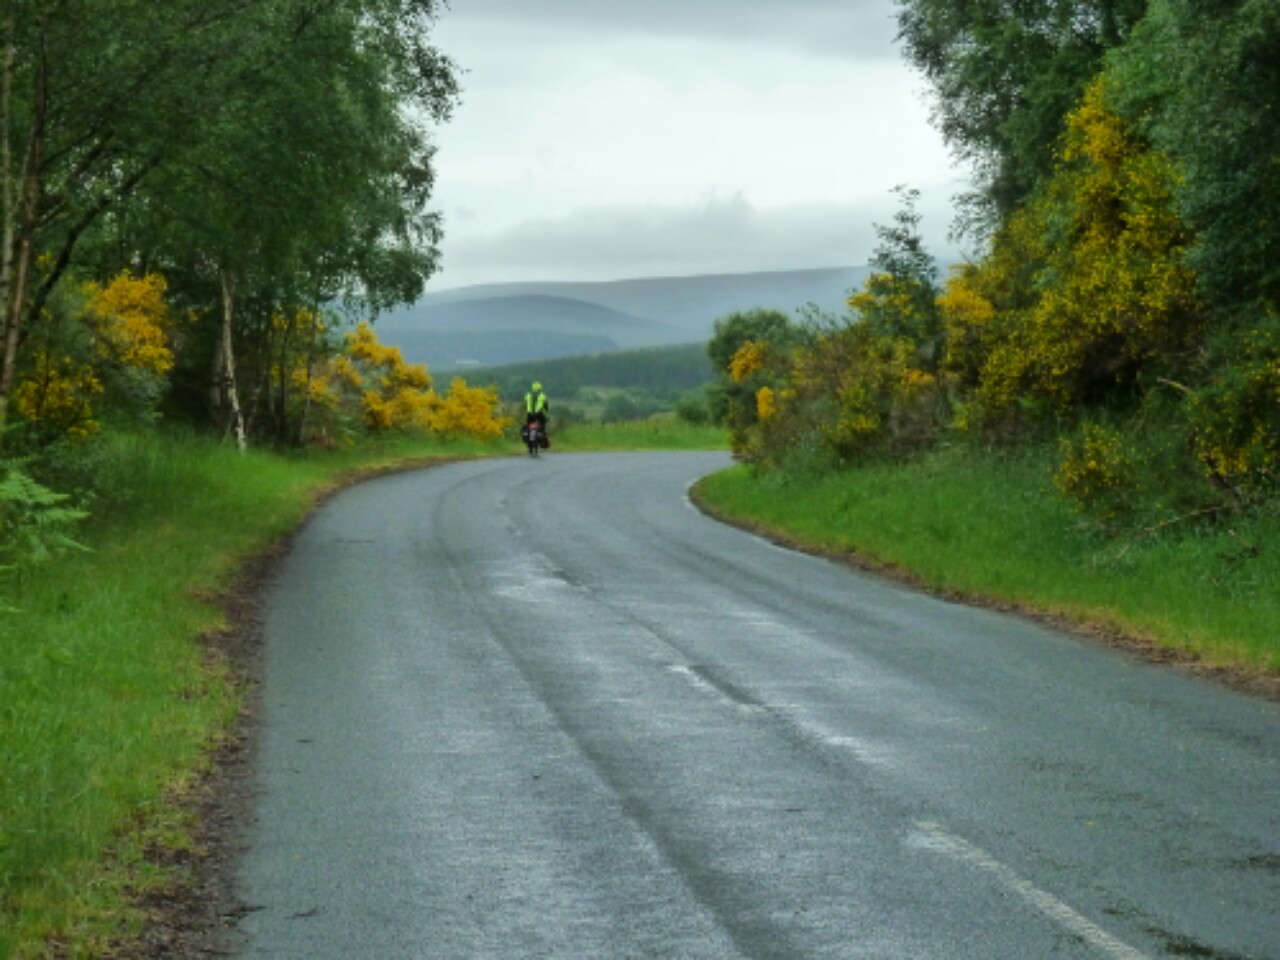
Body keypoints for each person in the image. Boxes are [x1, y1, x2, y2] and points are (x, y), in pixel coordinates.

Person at [524, 380, 549, 446]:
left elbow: (525, 404)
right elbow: (546, 405)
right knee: (543, 424)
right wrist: (546, 412)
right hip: (539, 413)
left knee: (527, 424)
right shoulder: (543, 396)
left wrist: (527, 410)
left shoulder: (528, 395)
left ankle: (526, 434)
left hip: (529, 413)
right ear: (540, 388)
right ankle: (543, 437)